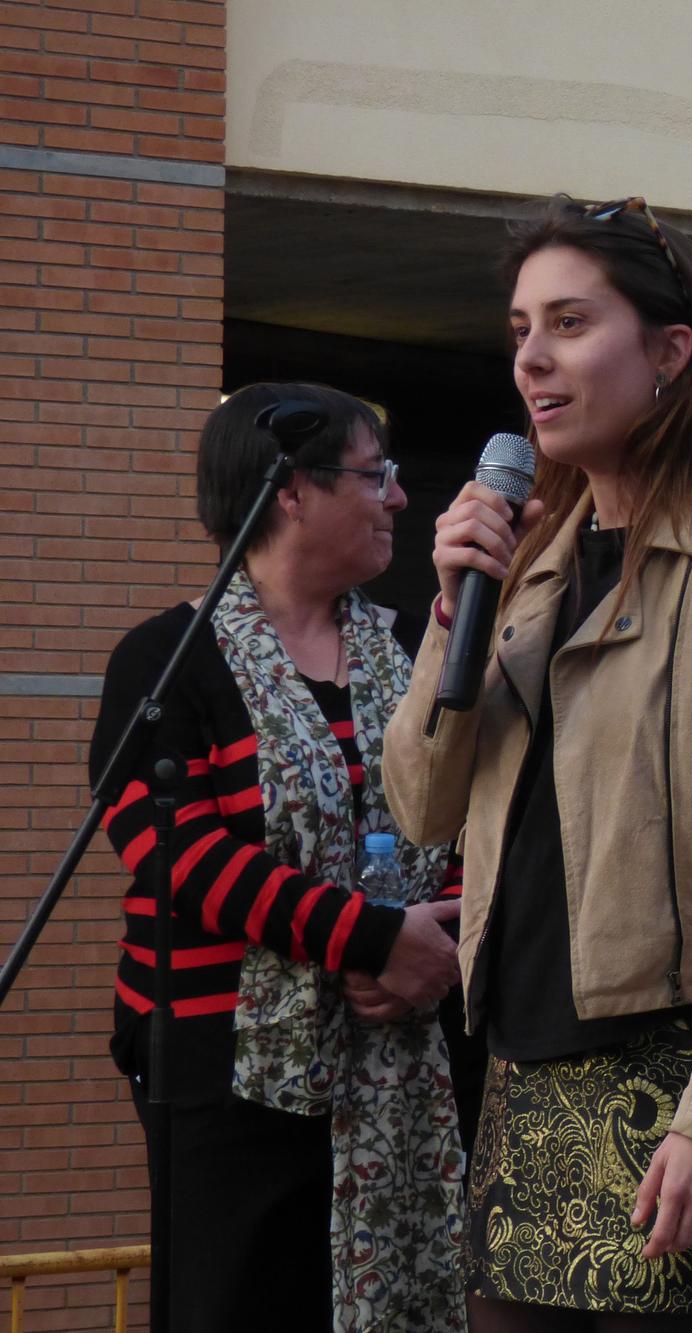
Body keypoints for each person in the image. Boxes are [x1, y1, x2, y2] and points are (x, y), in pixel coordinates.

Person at [382, 195, 692, 1332]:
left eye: (567, 323)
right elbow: (421, 803)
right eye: (517, 330)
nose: (532, 360)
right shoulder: (530, 567)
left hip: (679, 1078)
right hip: (522, 1075)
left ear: (669, 352)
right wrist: (451, 611)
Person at [90, 382, 469, 1333]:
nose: (397, 497)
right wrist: (375, 937)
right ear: (291, 491)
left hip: (407, 1052)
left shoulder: (413, 649)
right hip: (226, 1078)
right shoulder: (165, 659)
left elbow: (474, 813)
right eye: (374, 474)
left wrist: (439, 943)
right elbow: (174, 851)